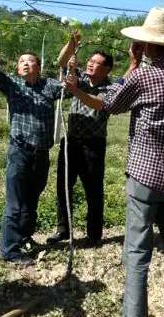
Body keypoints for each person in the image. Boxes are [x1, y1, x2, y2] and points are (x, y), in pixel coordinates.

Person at [65, 7, 164, 317]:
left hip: (144, 179)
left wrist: (132, 64)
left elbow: (110, 103)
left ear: (144, 44)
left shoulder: (145, 75)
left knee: (137, 254)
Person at [0, 26, 78, 265]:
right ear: (18, 68)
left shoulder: (49, 87)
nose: (25, 64)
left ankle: (25, 238)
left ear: (39, 66)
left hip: (41, 154)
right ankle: (10, 249)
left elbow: (71, 87)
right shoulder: (13, 86)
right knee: (16, 203)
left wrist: (71, 55)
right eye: (21, 61)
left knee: (32, 200)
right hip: (20, 152)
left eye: (30, 61)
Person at [46, 47, 114, 247]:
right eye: (90, 61)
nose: (91, 64)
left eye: (97, 62)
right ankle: (63, 230)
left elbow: (97, 104)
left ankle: (94, 235)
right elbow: (61, 62)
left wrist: (76, 89)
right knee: (63, 187)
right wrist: (70, 50)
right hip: (71, 141)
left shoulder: (109, 89)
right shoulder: (80, 78)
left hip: (93, 145)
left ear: (107, 69)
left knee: (93, 190)